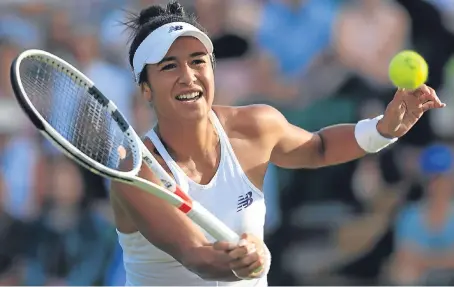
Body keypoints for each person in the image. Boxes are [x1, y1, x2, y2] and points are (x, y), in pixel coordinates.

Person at [110, 1, 446, 286]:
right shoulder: (135, 169)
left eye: (198, 60)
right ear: (146, 90)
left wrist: (384, 129)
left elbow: (320, 148)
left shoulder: (254, 126)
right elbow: (196, 255)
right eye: (170, 66)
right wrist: (245, 257)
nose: (189, 75)